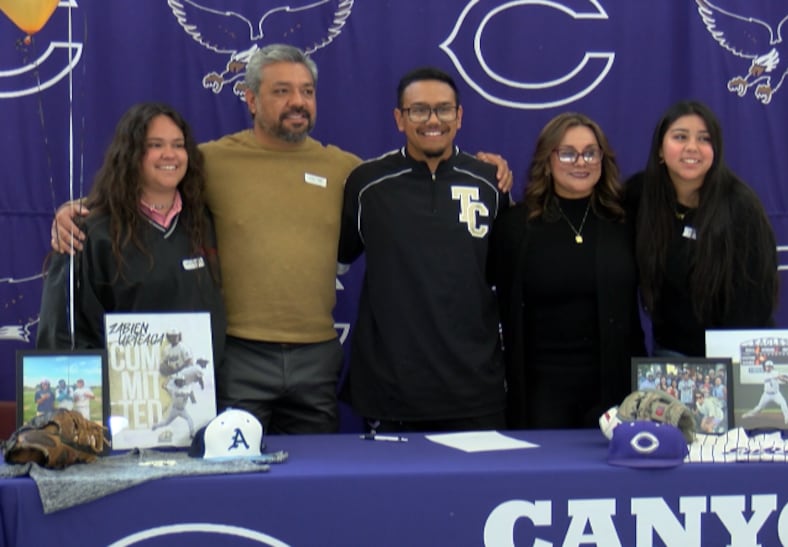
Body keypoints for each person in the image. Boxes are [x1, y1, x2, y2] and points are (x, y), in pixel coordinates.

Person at [51, 45, 512, 435]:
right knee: (234, 480)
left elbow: (413, 178)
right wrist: (78, 211)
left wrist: (485, 168)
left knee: (311, 488)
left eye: (307, 92)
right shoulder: (209, 161)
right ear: (250, 99)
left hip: (317, 357)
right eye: (282, 91)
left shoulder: (350, 170)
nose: (298, 101)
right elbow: (147, 181)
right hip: (237, 356)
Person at [338, 67, 509, 433]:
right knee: (393, 492)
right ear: (399, 119)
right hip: (392, 389)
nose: (433, 120)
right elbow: (337, 260)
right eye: (418, 110)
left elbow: (503, 275)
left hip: (475, 389)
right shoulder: (367, 184)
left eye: (444, 109)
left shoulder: (491, 182)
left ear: (459, 117)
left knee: (477, 491)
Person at [37, 103, 227, 370]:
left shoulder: (204, 222)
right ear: (130, 154)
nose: (169, 155)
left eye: (178, 144)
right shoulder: (88, 231)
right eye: (156, 145)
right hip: (119, 400)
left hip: (199, 397)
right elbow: (61, 332)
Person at [490, 112, 644, 429]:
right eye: (568, 153)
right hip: (539, 392)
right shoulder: (515, 226)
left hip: (615, 391)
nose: (581, 162)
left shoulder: (626, 221)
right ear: (547, 160)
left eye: (590, 152)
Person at [628, 100, 779, 357]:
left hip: (734, 354)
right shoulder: (638, 195)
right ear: (660, 151)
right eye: (680, 137)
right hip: (670, 352)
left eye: (704, 139)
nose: (692, 147)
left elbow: (755, 300)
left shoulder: (741, 207)